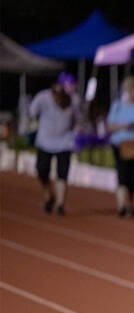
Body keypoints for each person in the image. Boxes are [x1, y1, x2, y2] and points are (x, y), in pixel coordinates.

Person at [29, 73, 80, 215]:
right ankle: (48, 194)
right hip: (45, 141)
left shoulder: (74, 100)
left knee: (62, 174)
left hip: (65, 142)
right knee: (42, 171)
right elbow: (32, 113)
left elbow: (78, 120)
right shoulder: (43, 97)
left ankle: (60, 204)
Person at [107, 76, 134, 217]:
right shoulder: (118, 105)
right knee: (122, 174)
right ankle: (122, 205)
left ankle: (129, 202)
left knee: (133, 176)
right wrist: (124, 125)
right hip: (119, 144)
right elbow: (110, 125)